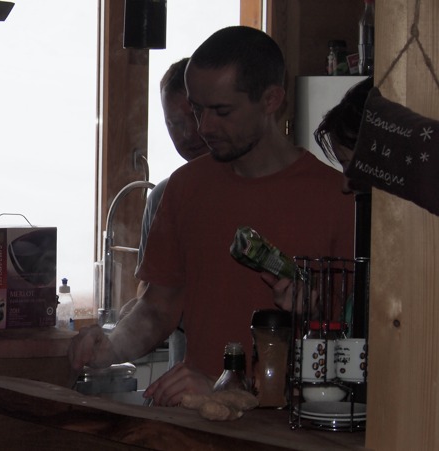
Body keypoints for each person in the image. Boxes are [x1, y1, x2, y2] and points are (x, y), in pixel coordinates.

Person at [69, 26, 355, 407]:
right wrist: (110, 345)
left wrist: (310, 313)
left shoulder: (338, 199)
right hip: (197, 420)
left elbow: (355, 348)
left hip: (292, 425)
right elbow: (157, 309)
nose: (203, 128)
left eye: (222, 111)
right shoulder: (185, 188)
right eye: (197, 109)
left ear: (271, 100)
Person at [129, 57, 209, 368]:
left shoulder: (252, 189)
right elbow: (149, 288)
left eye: (194, 117)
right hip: (183, 376)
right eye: (174, 123)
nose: (187, 134)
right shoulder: (164, 196)